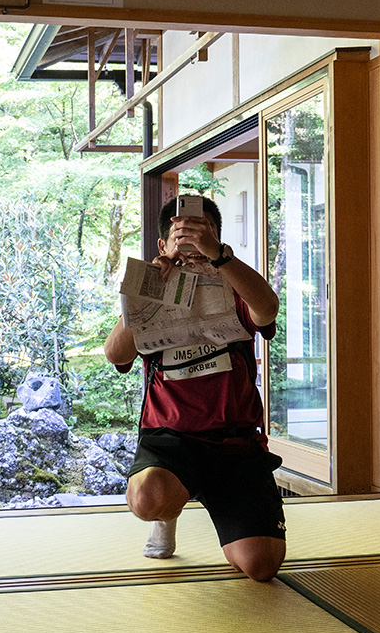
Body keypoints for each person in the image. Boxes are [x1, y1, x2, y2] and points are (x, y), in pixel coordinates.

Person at [104, 195, 285, 581]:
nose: (192, 244)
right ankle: (169, 510)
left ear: (218, 238)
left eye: (203, 234)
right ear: (162, 245)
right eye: (181, 236)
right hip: (169, 439)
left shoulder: (235, 282)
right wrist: (150, 284)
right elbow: (115, 354)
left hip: (235, 443)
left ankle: (212, 499)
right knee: (148, 499)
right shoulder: (149, 287)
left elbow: (267, 310)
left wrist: (218, 258)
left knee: (262, 566)